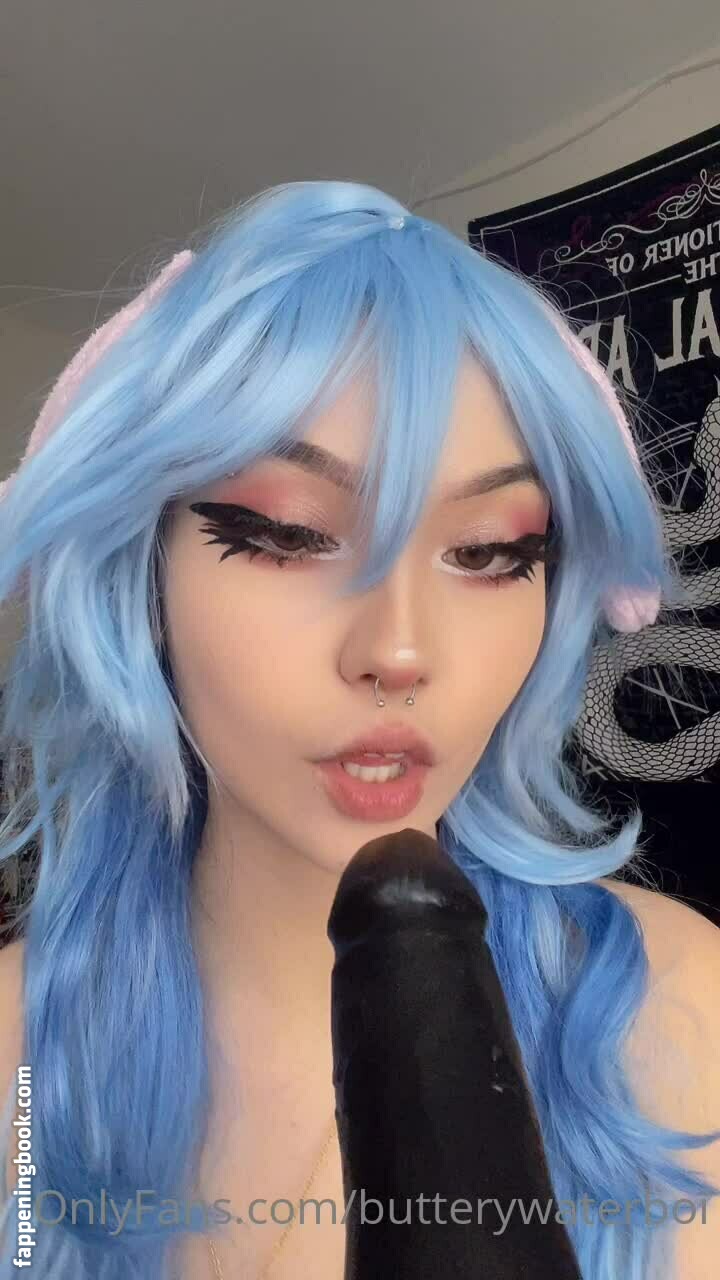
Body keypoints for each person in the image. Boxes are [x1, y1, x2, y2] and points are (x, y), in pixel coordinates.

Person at [0, 180, 718, 1280]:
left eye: (492, 550)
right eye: (289, 535)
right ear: (143, 575)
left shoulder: (683, 1004)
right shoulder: (14, 1051)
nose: (400, 650)